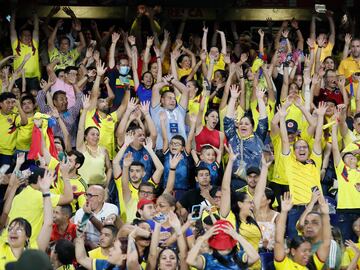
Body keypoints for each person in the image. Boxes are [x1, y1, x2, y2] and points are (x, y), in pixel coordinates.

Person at [278, 102, 326, 238]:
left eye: (304, 146)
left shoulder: (315, 161)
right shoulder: (290, 162)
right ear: (294, 152)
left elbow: (317, 139)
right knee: (295, 244)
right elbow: (285, 140)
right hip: (295, 209)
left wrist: (321, 116)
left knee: (316, 245)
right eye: (298, 147)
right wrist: (282, 117)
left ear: (309, 151)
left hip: (316, 208)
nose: (302, 149)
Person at [0, 168, 53, 270]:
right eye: (10, 228)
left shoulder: (33, 251)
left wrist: (46, 192)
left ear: (27, 237)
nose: (13, 232)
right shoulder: (1, 246)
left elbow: (48, 223)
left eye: (19, 229)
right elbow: (5, 212)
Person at [224, 84, 268, 189]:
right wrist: (233, 98)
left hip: (255, 182)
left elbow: (263, 121)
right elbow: (227, 121)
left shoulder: (258, 137)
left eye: (247, 124)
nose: (243, 125)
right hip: (235, 182)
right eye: (241, 123)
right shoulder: (233, 138)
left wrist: (260, 99)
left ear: (252, 127)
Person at [274, 192, 331, 270]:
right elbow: (278, 241)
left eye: (309, 251)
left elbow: (327, 243)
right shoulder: (284, 265)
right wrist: (284, 212)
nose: (307, 254)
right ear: (293, 251)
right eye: (304, 251)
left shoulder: (313, 265)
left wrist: (325, 214)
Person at [186, 219, 260, 269]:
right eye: (220, 245)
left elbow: (255, 257)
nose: (224, 247)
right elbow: (190, 260)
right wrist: (203, 238)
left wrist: (237, 236)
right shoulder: (207, 259)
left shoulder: (240, 256)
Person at [331, 123, 360, 242]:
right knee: (344, 243)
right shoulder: (342, 170)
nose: (350, 157)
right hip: (344, 211)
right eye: (347, 156)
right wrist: (333, 130)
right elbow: (335, 149)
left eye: (352, 156)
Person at [76, 94, 112, 187]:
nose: (96, 136)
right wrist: (85, 110)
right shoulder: (82, 147)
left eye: (97, 134)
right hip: (83, 187)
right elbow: (80, 128)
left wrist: (106, 184)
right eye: (92, 134)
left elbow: (110, 168)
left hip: (100, 187)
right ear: (85, 137)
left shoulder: (103, 150)